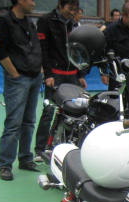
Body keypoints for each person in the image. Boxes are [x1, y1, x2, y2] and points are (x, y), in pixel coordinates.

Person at [0, 0, 43, 180]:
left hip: (34, 77)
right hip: (18, 79)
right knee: (14, 122)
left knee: (29, 121)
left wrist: (40, 70)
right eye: (31, 0)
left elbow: (35, 47)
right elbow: (0, 51)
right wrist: (14, 73)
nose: (34, 3)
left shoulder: (29, 22)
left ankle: (25, 159)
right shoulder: (5, 21)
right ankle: (5, 165)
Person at [34, 0, 85, 158]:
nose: (72, 12)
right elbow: (43, 49)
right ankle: (40, 149)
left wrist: (80, 75)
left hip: (72, 75)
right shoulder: (45, 21)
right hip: (55, 74)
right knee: (49, 110)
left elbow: (78, 51)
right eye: (70, 8)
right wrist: (48, 74)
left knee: (75, 112)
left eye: (75, 9)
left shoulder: (74, 24)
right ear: (60, 6)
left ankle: (66, 146)